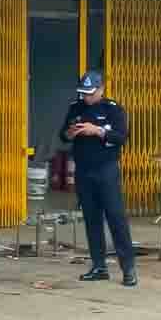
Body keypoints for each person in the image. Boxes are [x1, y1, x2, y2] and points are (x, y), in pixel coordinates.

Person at [60, 70, 137, 288]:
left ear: (101, 89)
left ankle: (128, 268)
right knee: (92, 219)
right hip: (84, 171)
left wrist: (98, 131)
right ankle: (98, 266)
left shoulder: (113, 110)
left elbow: (121, 137)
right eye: (83, 93)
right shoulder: (75, 108)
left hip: (106, 170)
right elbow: (62, 135)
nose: (86, 98)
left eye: (90, 93)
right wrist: (71, 132)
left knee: (116, 218)